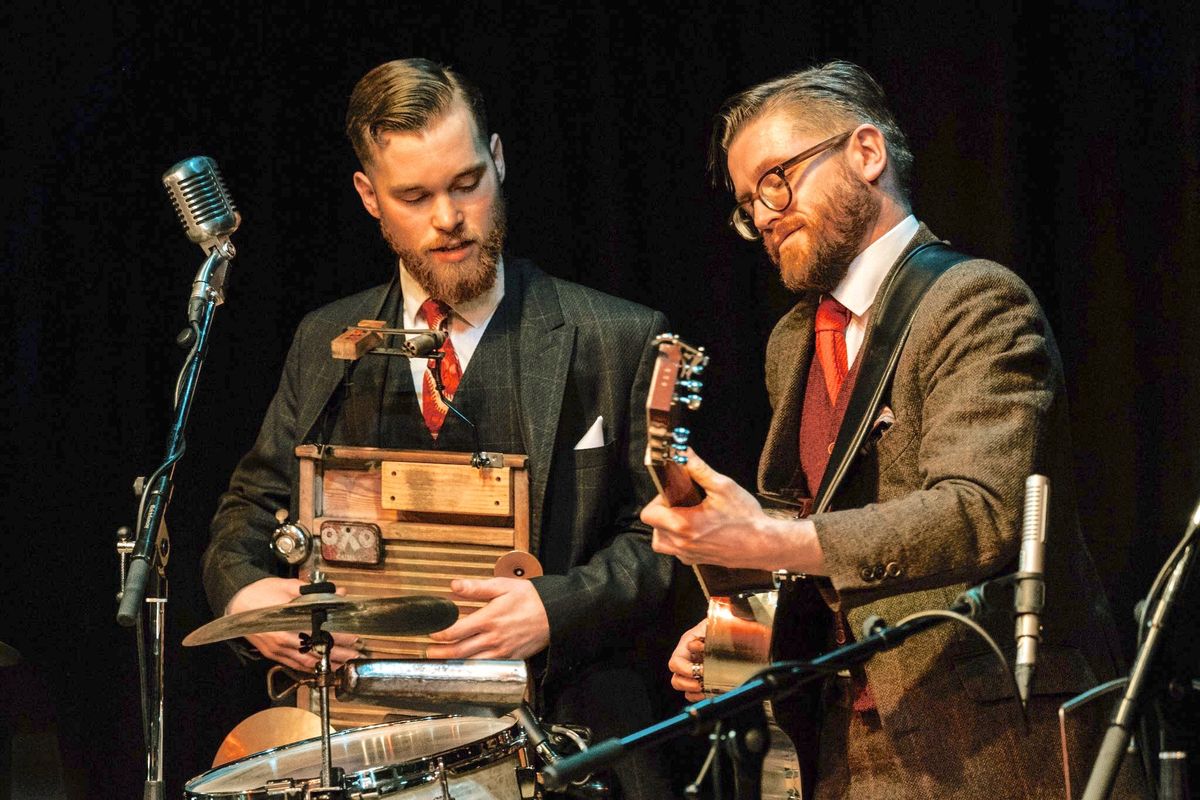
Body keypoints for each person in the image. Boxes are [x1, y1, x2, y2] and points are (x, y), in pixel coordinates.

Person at [641, 61, 1143, 798]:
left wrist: (765, 538)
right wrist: (736, 643)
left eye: (777, 179)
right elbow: (809, 529)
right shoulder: (793, 341)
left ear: (867, 153)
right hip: (847, 748)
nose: (765, 215)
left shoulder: (975, 300)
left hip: (994, 740)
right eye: (750, 203)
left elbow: (981, 512)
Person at [201, 58, 678, 798]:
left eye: (466, 184)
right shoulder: (326, 340)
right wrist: (245, 599)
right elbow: (248, 510)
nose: (448, 219)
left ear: (499, 160)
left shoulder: (615, 336)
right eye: (414, 196)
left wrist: (557, 605)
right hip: (371, 748)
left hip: (563, 744)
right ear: (369, 198)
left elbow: (668, 539)